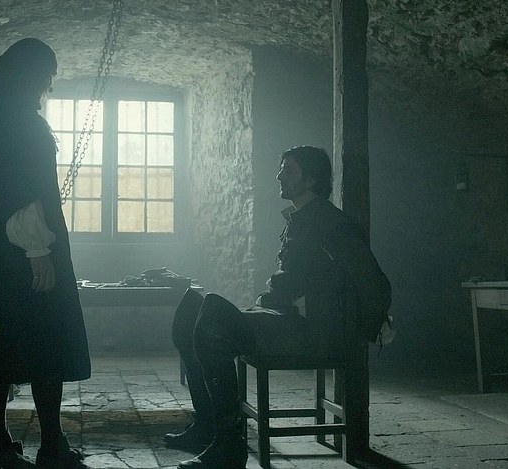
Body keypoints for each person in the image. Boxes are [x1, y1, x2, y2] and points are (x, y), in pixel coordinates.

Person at [165, 146, 391, 468]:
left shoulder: (331, 224)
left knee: (213, 315)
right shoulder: (300, 218)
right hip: (283, 321)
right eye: (281, 169)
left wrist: (363, 331)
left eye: (289, 170)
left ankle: (229, 447)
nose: (279, 176)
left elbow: (373, 281)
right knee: (193, 310)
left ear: (311, 179)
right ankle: (207, 425)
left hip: (309, 332)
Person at [0, 38, 92, 469]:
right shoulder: (11, 118)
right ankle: (46, 445)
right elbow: (15, 190)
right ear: (28, 74)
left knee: (6, 341)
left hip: (1, 246)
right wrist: (37, 249)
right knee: (42, 340)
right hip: (18, 250)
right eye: (46, 75)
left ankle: (5, 443)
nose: (48, 84)